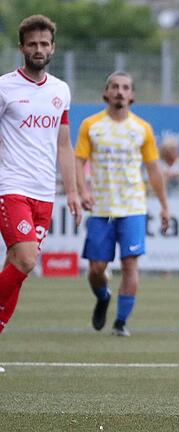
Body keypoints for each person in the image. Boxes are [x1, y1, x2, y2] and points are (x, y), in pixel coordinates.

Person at [0, 15, 81, 345]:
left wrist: (72, 192)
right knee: (27, 259)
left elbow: (64, 143)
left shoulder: (61, 90)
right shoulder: (4, 87)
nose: (38, 49)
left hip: (44, 195)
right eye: (32, 44)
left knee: (17, 270)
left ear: (53, 48)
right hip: (11, 187)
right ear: (21, 47)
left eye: (44, 44)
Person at [75, 71, 170, 337]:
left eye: (125, 87)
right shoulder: (90, 125)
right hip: (101, 208)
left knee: (130, 265)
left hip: (133, 208)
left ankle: (120, 323)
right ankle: (103, 296)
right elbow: (79, 161)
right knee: (96, 270)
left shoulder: (142, 129)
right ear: (106, 93)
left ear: (132, 95)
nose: (120, 91)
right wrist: (82, 190)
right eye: (114, 87)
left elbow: (153, 170)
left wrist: (164, 205)